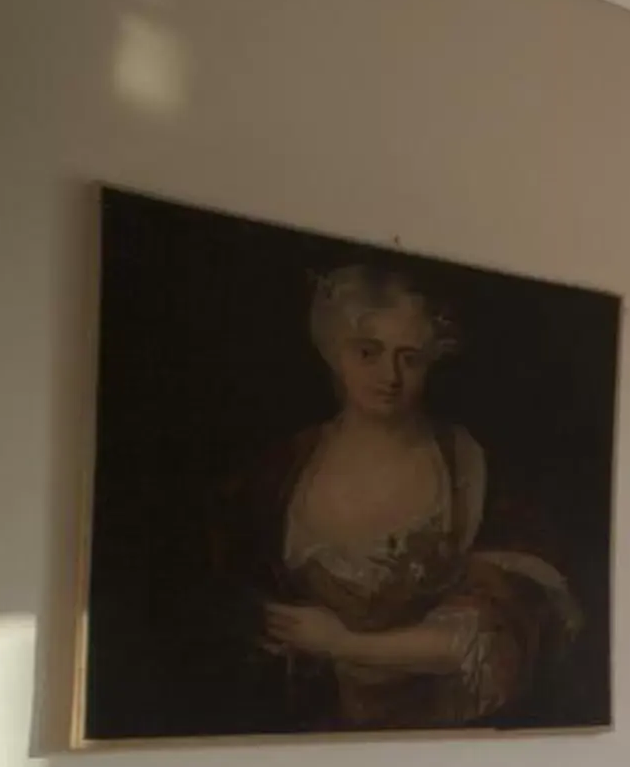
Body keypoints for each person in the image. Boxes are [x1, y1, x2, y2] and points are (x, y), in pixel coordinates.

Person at [229, 263, 581, 727]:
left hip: (445, 735)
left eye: (409, 357)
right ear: (334, 351)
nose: (389, 375)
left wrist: (344, 644)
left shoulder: (469, 469)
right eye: (368, 352)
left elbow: (501, 629)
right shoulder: (280, 472)